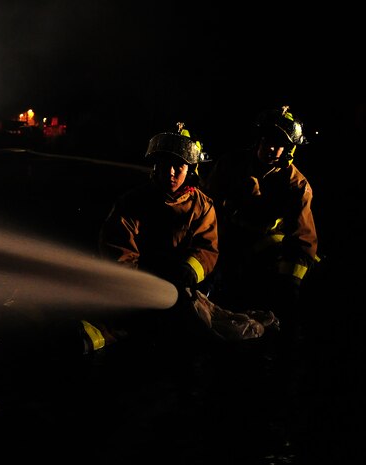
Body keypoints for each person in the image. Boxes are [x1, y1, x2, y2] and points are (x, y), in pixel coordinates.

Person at [79, 124, 220, 353]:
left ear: (191, 169)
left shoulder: (202, 206)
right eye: (165, 164)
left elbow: (207, 248)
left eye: (179, 166)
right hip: (139, 278)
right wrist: (134, 285)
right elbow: (118, 247)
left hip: (182, 283)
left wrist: (189, 271)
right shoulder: (132, 201)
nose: (171, 172)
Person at [202, 106, 319, 328]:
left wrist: (290, 284)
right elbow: (207, 208)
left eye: (280, 145)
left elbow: (302, 238)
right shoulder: (231, 164)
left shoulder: (297, 185)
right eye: (268, 141)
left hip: (265, 255)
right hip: (223, 243)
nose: (272, 148)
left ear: (290, 150)